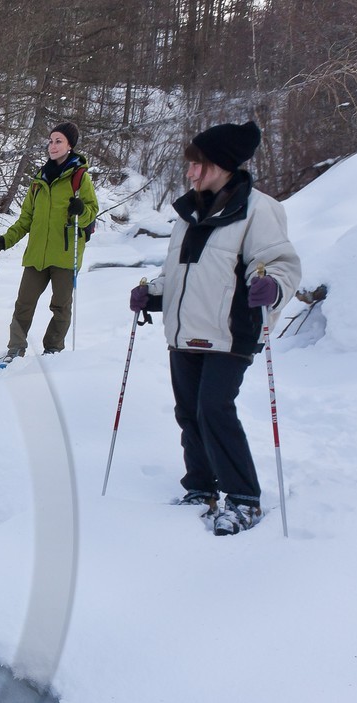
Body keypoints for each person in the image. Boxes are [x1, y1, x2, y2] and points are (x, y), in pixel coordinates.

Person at [130, 120, 300, 536]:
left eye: (198, 166)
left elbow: (283, 264)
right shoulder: (189, 212)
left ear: (222, 165)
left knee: (214, 409)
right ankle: (201, 489)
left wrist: (272, 286)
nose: (190, 173)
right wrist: (152, 294)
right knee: (189, 413)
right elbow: (180, 273)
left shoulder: (259, 209)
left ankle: (243, 499)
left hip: (231, 330)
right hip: (185, 331)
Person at [0, 121, 98, 368]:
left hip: (64, 254)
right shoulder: (39, 180)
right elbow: (26, 219)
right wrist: (6, 240)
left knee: (60, 306)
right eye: (51, 141)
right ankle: (15, 349)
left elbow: (91, 212)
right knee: (23, 304)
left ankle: (53, 351)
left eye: (58, 141)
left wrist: (80, 210)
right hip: (37, 254)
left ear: (70, 145)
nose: (53, 145)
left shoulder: (80, 177)